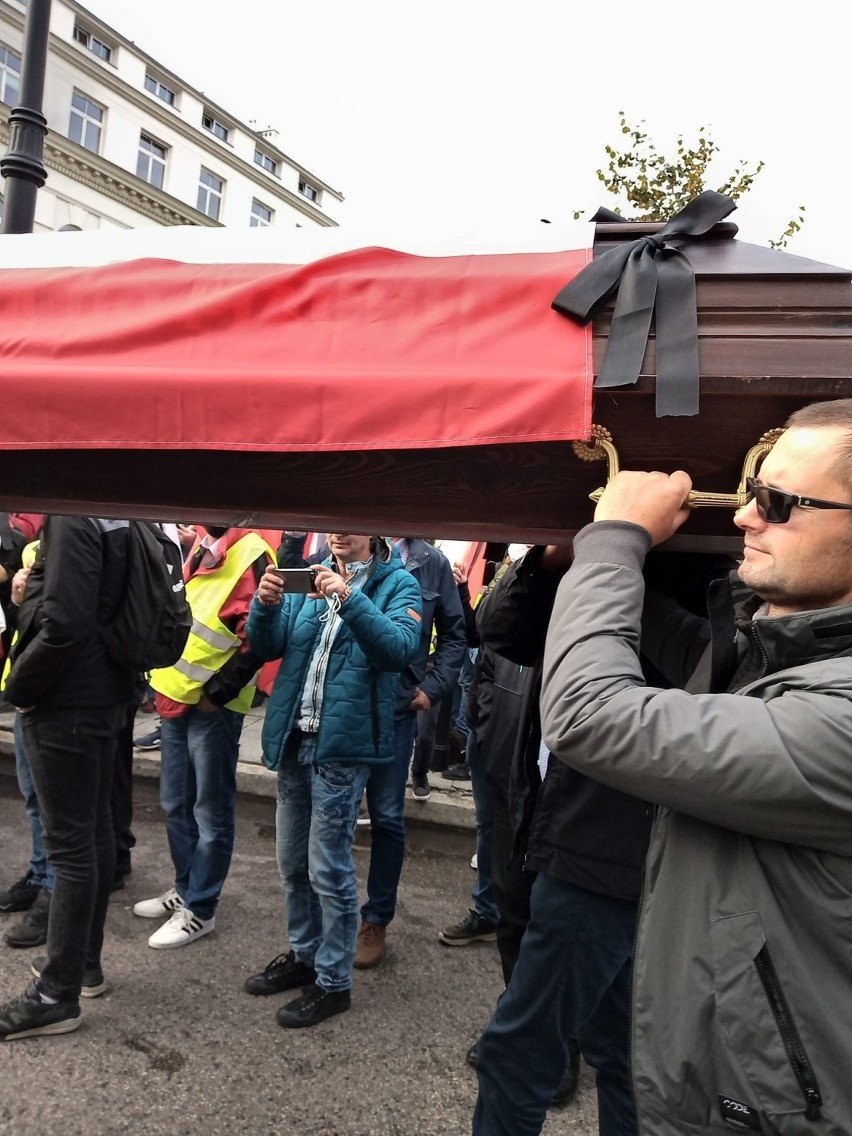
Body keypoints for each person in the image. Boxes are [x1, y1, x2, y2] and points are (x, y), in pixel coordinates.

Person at [537, 398, 852, 1133]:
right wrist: (579, 553)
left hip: (774, 1109)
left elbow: (591, 715)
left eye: (776, 503)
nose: (744, 516)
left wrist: (614, 538)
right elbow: (702, 660)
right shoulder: (799, 653)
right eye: (750, 493)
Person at [242, 534, 421, 1027]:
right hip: (296, 737)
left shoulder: (398, 582)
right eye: (331, 524)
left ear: (373, 532)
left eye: (349, 524)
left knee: (329, 869)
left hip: (343, 745)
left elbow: (398, 650)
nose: (338, 533)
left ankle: (333, 982)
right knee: (291, 863)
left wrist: (347, 595)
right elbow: (268, 645)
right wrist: (264, 604)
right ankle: (304, 957)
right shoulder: (307, 574)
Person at [0, 516, 136, 1040]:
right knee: (94, 833)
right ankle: (83, 967)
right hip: (106, 694)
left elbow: (66, 622)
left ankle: (57, 993)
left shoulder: (73, 514)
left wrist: (22, 688)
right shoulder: (119, 513)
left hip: (68, 701)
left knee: (72, 847)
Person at [133, 525, 275, 950]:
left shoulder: (252, 552)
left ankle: (200, 908)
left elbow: (262, 637)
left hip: (214, 707)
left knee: (210, 812)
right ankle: (186, 887)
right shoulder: (202, 543)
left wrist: (218, 692)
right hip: (178, 697)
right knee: (176, 804)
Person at [354, 536, 465, 969]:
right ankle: (328, 912)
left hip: (396, 712)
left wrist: (432, 689)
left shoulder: (431, 562)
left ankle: (376, 919)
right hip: (343, 706)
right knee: (333, 815)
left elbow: (456, 635)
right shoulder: (347, 545)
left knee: (385, 817)